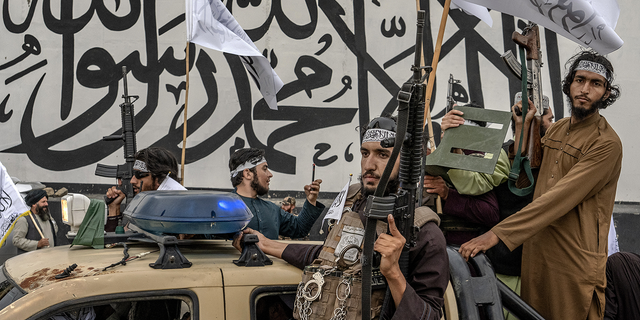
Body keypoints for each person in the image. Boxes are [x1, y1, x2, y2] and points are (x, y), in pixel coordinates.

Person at [459, 51, 623, 320]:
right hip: (537, 256)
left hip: (572, 263)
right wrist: (524, 129)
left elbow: (558, 198)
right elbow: (525, 182)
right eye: (579, 80)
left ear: (606, 94)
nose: (584, 89)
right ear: (569, 84)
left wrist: (496, 234)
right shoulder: (557, 130)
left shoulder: (606, 144)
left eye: (596, 84)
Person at [234, 116, 449, 319]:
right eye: (365, 153)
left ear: (407, 164)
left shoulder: (424, 232)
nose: (369, 165)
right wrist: (266, 244)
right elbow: (327, 256)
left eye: (382, 155)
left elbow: (428, 314)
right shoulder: (356, 203)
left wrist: (393, 273)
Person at [229, 148, 324, 240]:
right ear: (247, 173)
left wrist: (311, 201)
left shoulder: (272, 209)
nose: (270, 174)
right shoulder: (223, 208)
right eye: (265, 169)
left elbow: (299, 228)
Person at [105, 147, 185, 232]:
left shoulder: (180, 209)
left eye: (139, 174)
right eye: (133, 174)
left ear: (160, 177)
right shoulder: (144, 205)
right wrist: (114, 208)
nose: (132, 181)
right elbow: (114, 243)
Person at [12, 189, 58, 253]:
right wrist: (37, 244)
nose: (46, 204)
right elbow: (17, 240)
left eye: (46, 201)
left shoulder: (48, 217)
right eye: (43, 202)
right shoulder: (24, 220)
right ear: (34, 204)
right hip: (33, 260)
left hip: (49, 257)